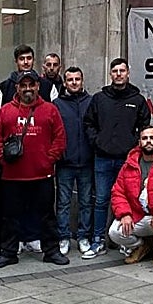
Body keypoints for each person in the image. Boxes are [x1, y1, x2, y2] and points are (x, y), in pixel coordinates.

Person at [0, 71, 68, 268]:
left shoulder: (50, 110)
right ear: (17, 88)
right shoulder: (5, 111)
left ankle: (51, 251)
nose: (27, 89)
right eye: (23, 85)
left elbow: (60, 138)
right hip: (12, 176)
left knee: (47, 216)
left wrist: (48, 160)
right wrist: (2, 160)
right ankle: (8, 253)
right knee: (9, 217)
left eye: (31, 85)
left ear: (38, 86)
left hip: (42, 175)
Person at [83, 58, 151, 259]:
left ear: (128, 73)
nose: (119, 74)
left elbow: (144, 128)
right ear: (110, 74)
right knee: (102, 200)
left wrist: (133, 148)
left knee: (129, 200)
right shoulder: (99, 99)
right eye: (115, 71)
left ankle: (125, 240)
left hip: (127, 161)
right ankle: (98, 240)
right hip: (102, 158)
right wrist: (98, 142)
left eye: (122, 70)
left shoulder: (137, 100)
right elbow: (89, 124)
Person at [108, 125, 153, 267]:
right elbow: (118, 192)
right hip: (137, 215)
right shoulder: (129, 165)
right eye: (144, 138)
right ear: (140, 142)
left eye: (152, 138)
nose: (148, 141)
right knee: (114, 232)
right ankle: (140, 246)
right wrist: (125, 214)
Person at [54, 66, 94, 256]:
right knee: (63, 202)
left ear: (82, 80)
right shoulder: (57, 104)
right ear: (65, 83)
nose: (74, 83)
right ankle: (63, 237)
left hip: (86, 161)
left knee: (86, 202)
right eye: (70, 80)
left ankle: (83, 236)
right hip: (65, 163)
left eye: (77, 79)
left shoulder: (91, 102)